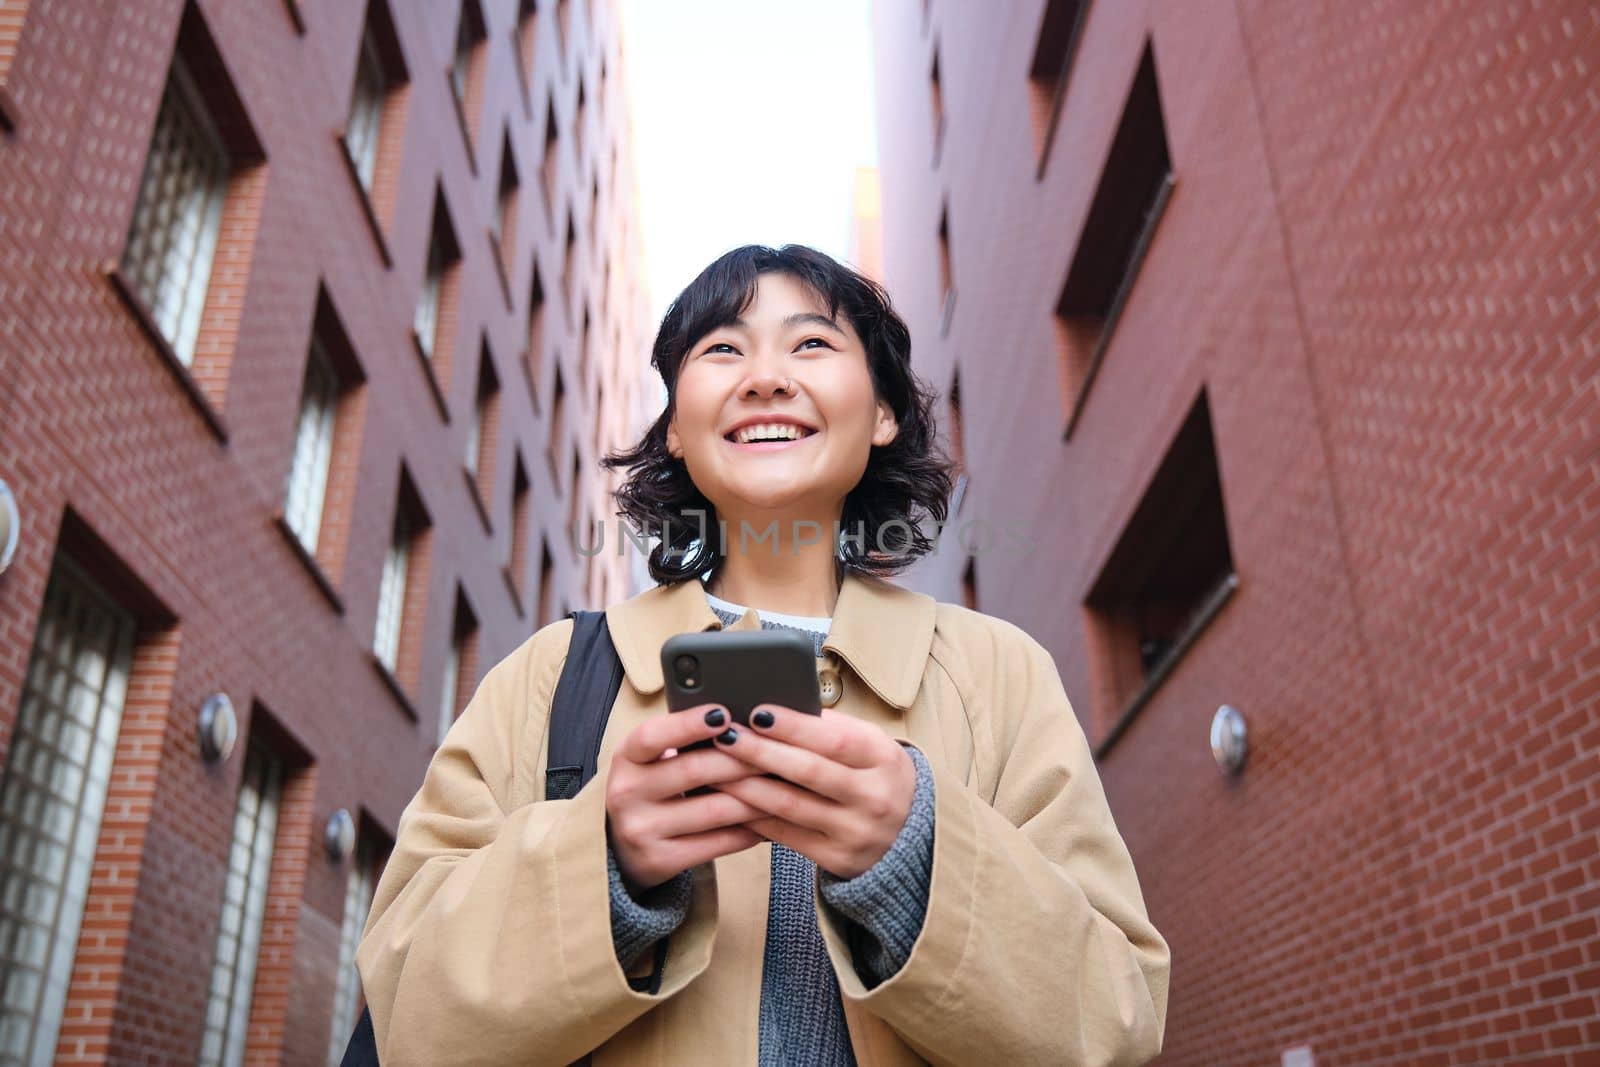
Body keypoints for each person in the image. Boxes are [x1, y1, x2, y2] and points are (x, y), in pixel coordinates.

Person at [355, 244, 1170, 1065]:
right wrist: (605, 861)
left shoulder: (1000, 676)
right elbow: (406, 1010)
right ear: (675, 427)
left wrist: (917, 856)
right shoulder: (552, 676)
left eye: (811, 343)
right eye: (722, 349)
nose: (766, 376)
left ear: (884, 413)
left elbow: (1116, 1022)